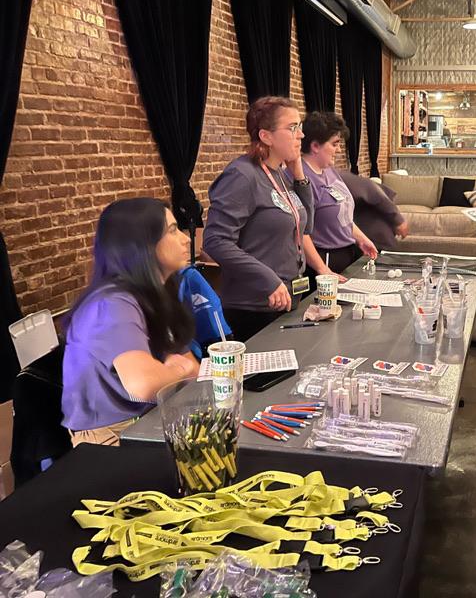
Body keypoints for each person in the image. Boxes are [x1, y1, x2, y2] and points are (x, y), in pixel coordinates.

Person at [61, 198, 199, 447]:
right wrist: (178, 371)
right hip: (112, 437)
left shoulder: (156, 292)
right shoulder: (111, 304)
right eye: (172, 230)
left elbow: (192, 368)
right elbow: (144, 384)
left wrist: (175, 371)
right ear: (141, 244)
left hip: (153, 418)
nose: (186, 239)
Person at [203, 97, 313, 341]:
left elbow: (305, 227)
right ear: (266, 136)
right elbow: (215, 241)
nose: (301, 135)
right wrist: (268, 279)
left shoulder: (280, 174)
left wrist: (299, 174)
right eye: (292, 127)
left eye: (300, 126)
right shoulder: (242, 175)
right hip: (253, 307)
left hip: (286, 298)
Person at [299, 111, 377, 285]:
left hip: (348, 253)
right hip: (325, 260)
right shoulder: (301, 177)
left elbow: (342, 214)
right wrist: (322, 269)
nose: (339, 150)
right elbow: (300, 231)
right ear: (315, 146)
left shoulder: (329, 170)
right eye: (335, 144)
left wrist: (361, 238)